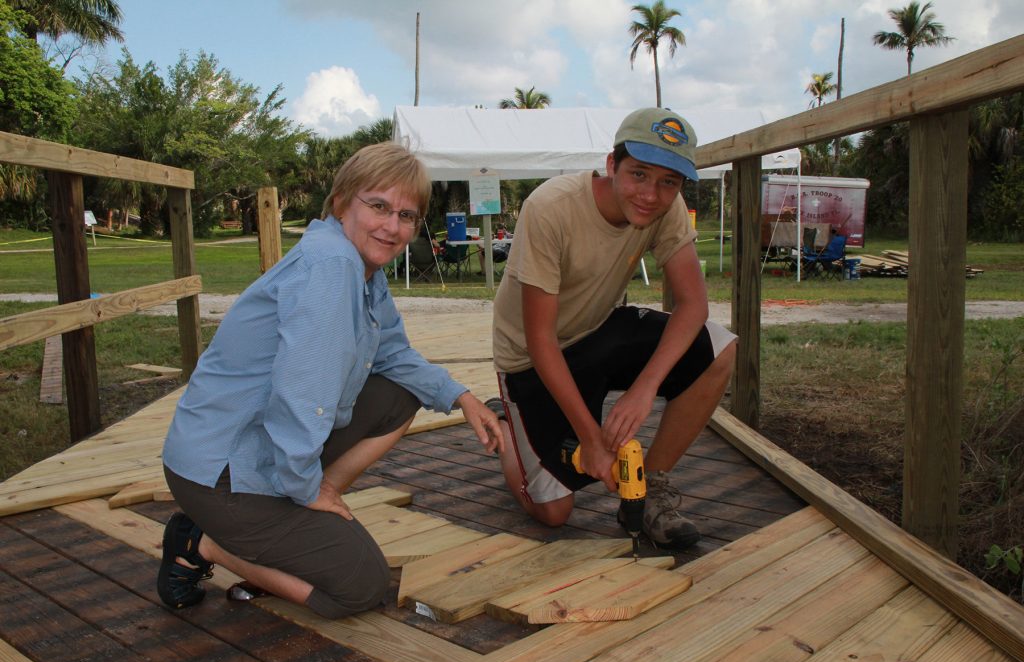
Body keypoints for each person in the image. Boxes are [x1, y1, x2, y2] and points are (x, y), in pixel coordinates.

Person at [157, 142, 503, 618]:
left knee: (402, 392)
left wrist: (461, 397)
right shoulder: (332, 266)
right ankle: (204, 545)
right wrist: (304, 486)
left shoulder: (364, 270)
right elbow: (302, 396)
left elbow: (395, 355)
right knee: (360, 587)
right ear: (341, 201)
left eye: (407, 215)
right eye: (378, 206)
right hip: (221, 472)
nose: (393, 226)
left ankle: (303, 504)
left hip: (260, 451)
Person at [490, 107, 737, 550]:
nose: (651, 194)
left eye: (669, 182)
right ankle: (508, 429)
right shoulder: (551, 208)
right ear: (611, 164)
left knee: (719, 350)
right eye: (639, 174)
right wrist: (591, 438)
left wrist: (644, 389)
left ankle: (647, 492)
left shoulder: (667, 206)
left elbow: (694, 304)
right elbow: (540, 340)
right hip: (530, 358)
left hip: (599, 332)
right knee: (554, 514)